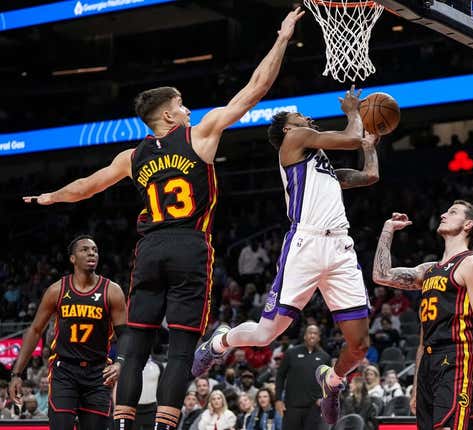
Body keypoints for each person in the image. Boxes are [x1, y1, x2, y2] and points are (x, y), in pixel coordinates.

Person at [22, 8, 304, 430]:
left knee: (134, 346)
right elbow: (254, 90)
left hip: (149, 249)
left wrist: (49, 196)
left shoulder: (131, 157)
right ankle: (164, 426)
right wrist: (282, 39)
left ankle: (122, 425)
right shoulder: (200, 134)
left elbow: (87, 186)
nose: (188, 110)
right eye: (181, 105)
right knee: (180, 349)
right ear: (170, 116)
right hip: (189, 245)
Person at [193, 85, 381, 426]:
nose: (307, 119)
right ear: (287, 129)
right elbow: (351, 136)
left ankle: (332, 381)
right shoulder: (293, 143)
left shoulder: (323, 170)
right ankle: (219, 343)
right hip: (305, 245)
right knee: (266, 334)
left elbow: (370, 176)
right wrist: (354, 112)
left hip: (340, 248)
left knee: (359, 346)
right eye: (300, 118)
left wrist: (370, 148)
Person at [373, 204, 473, 430]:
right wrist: (388, 229)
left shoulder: (471, 264)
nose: (443, 215)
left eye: (453, 212)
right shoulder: (428, 270)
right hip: (428, 359)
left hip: (457, 356)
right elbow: (381, 276)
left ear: (468, 224)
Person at [8, 236, 126, 430]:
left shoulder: (112, 291)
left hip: (98, 373)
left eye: (95, 250)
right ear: (72, 258)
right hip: (65, 371)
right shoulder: (57, 290)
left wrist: (121, 363)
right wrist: (16, 373)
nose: (91, 253)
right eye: (85, 250)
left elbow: (126, 335)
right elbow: (35, 330)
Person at [275, 325, 330, 430]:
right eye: (310, 333)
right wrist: (278, 399)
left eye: (315, 333)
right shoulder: (291, 353)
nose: (312, 335)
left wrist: (324, 398)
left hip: (313, 408)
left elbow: (328, 382)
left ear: (319, 337)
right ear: (305, 336)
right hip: (292, 406)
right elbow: (280, 376)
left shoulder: (325, 357)